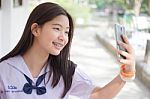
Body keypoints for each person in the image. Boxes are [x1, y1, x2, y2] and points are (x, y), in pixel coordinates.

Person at [0, 2, 135, 99]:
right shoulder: (4, 70)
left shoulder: (66, 71)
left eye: (66, 32)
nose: (63, 38)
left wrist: (126, 74)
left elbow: (98, 95)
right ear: (36, 29)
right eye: (57, 28)